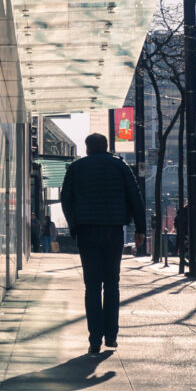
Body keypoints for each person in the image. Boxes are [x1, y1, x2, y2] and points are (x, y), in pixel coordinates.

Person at [60, 132, 145, 355]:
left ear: (87, 148)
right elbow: (135, 197)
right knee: (112, 284)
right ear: (106, 147)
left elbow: (66, 199)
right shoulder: (121, 166)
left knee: (92, 287)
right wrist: (140, 228)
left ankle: (95, 339)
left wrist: (74, 224)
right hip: (113, 230)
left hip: (87, 231)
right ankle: (111, 336)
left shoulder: (76, 168)